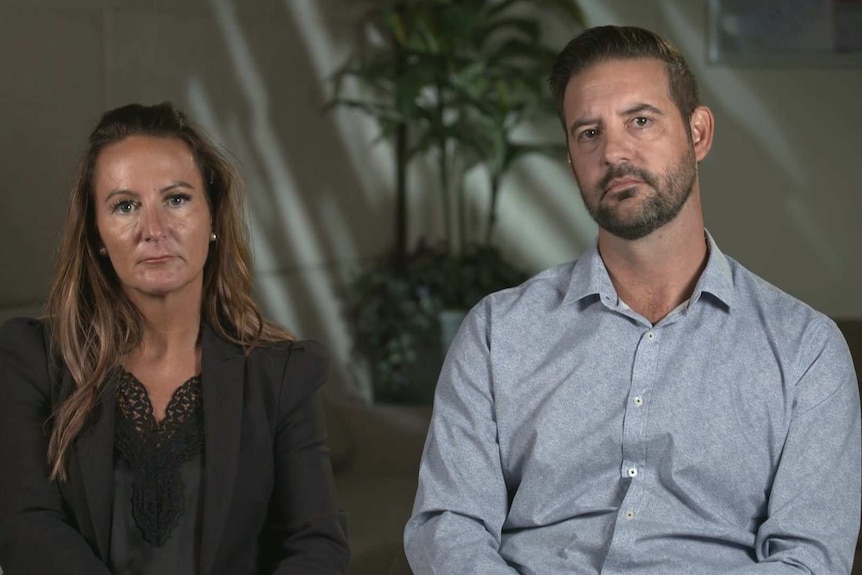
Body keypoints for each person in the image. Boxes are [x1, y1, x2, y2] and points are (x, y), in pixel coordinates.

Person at [404, 25, 861, 574]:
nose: (614, 152)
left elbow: (810, 559)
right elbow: (448, 525)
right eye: (588, 132)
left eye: (640, 121)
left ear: (698, 133)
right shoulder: (497, 332)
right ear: (572, 159)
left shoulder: (804, 349)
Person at [0, 102, 349, 574]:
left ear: (213, 218)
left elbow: (317, 546)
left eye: (177, 199)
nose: (154, 229)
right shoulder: (33, 361)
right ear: (98, 234)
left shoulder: (282, 373)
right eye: (125, 206)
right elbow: (26, 528)